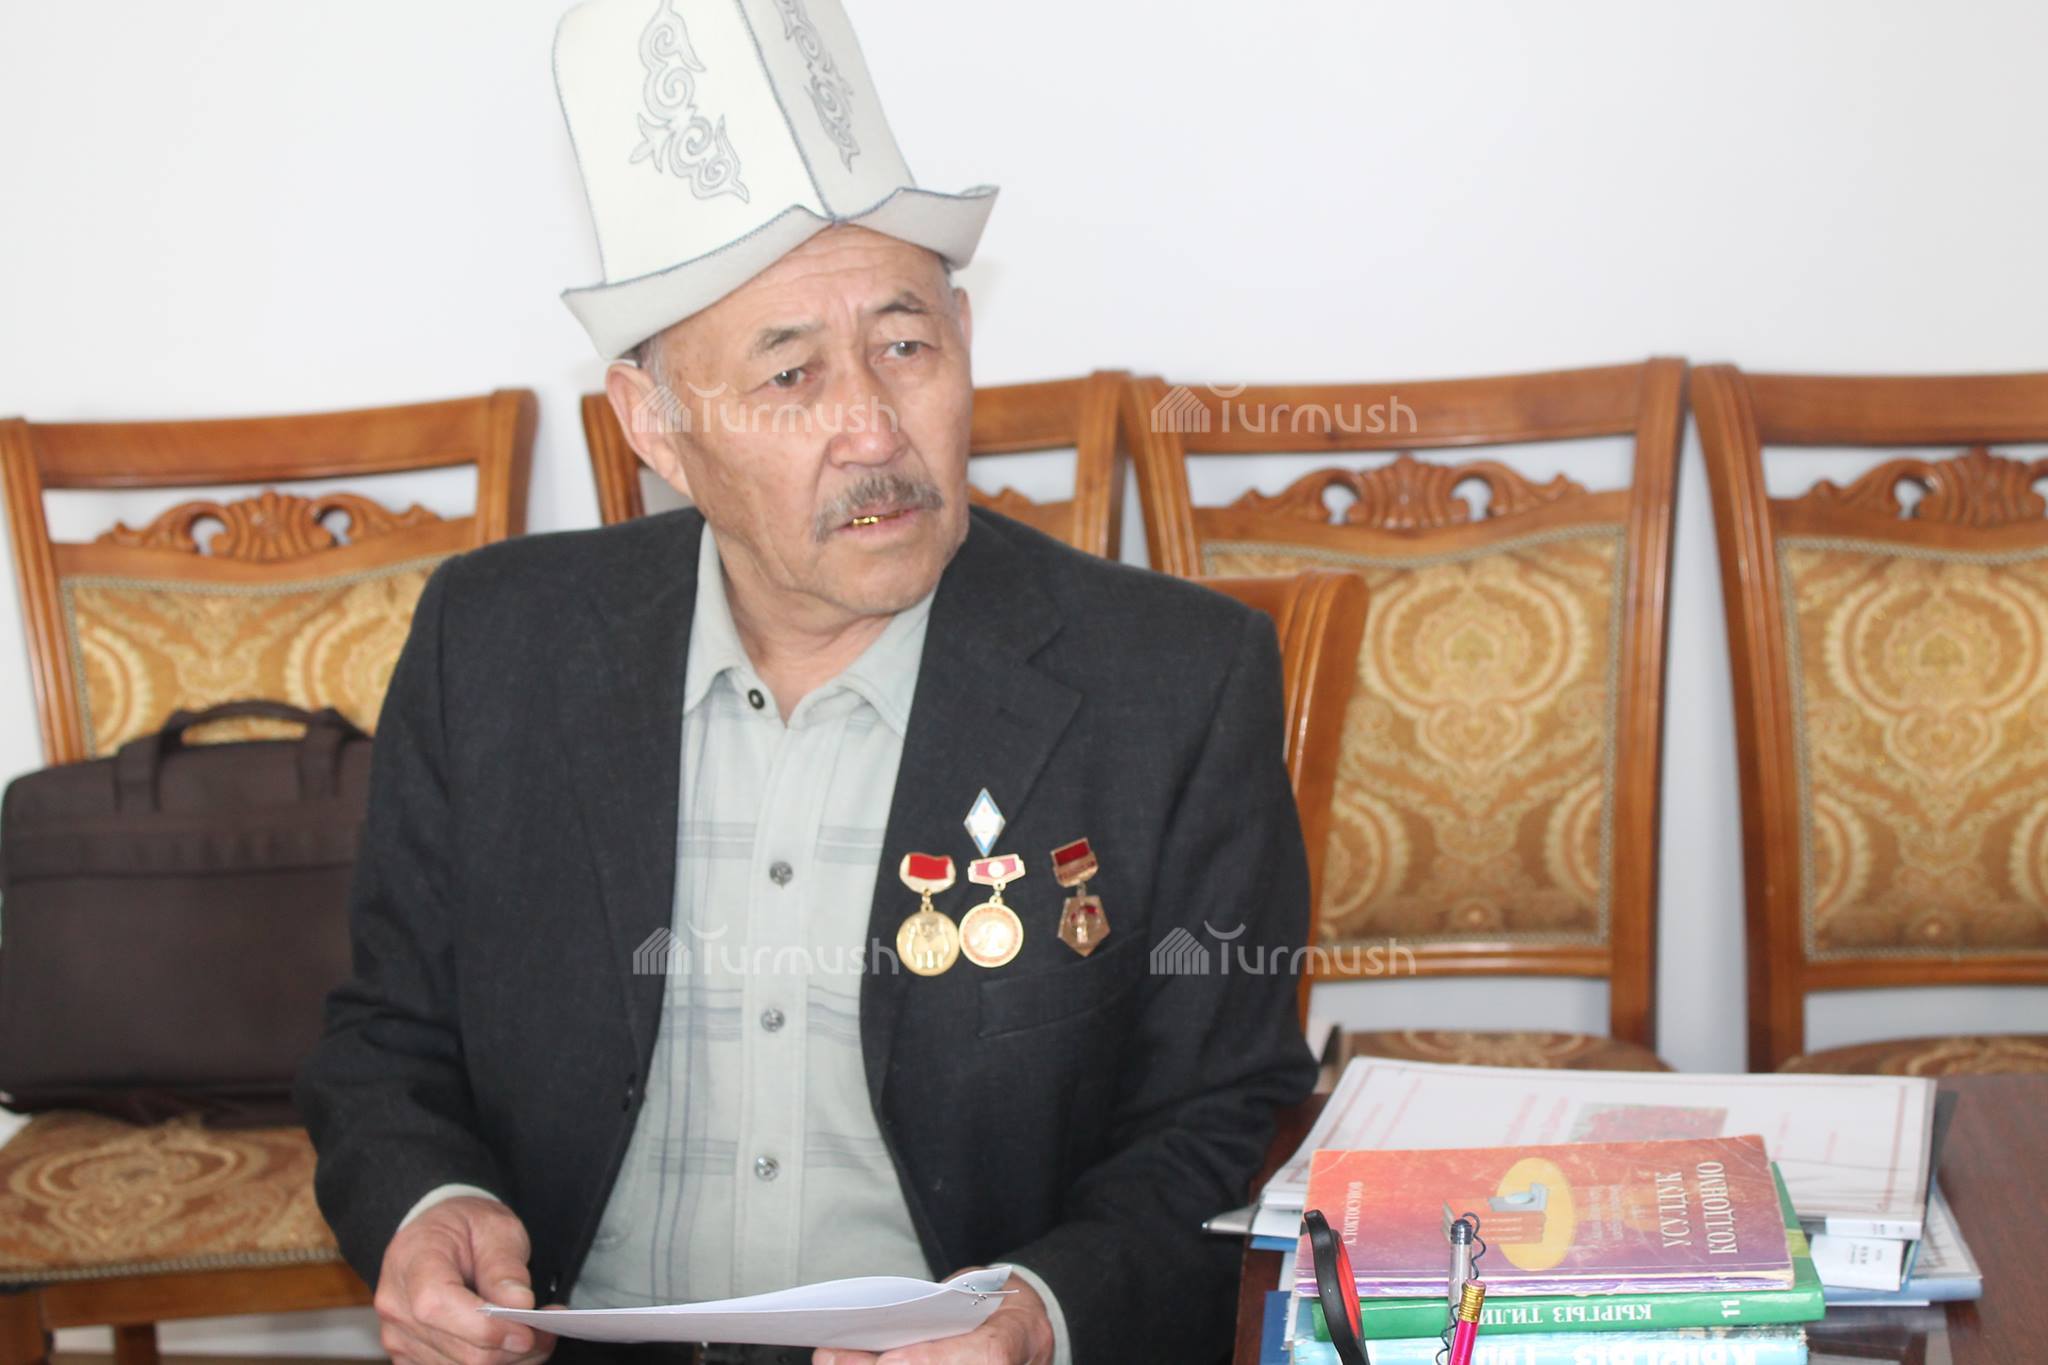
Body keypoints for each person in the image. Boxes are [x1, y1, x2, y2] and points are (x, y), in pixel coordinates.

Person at [296, 4, 1316, 1362]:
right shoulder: (493, 646)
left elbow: (1226, 1117)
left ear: (965, 336)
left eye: (906, 346)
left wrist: (1036, 1313)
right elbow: (386, 1040)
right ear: (657, 425)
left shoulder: (1173, 683)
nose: (874, 430)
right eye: (790, 374)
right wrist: (433, 1204)